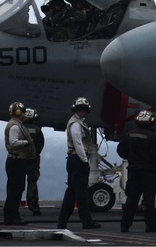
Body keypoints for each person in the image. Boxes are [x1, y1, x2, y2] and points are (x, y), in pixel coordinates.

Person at [57, 97, 101, 230]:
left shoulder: (79, 122)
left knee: (72, 192)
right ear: (76, 109)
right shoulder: (76, 124)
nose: (82, 111)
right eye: (80, 109)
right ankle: (86, 221)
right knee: (81, 193)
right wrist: (84, 161)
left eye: (84, 109)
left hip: (75, 159)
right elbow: (78, 144)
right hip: (77, 159)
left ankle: (63, 222)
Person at [117, 110, 156, 234]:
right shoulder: (152, 137)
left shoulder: (129, 135)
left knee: (131, 199)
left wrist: (132, 158)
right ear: (151, 121)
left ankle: (125, 226)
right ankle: (150, 225)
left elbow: (121, 151)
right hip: (148, 171)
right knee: (149, 200)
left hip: (133, 170)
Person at [3, 101, 37, 226]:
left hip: (17, 161)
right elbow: (13, 142)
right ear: (18, 112)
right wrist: (27, 142)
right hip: (16, 161)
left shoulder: (17, 124)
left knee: (16, 189)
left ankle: (13, 215)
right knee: (15, 190)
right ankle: (11, 217)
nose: (24, 113)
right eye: (22, 111)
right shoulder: (15, 126)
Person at [23, 108, 45, 216]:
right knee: (32, 182)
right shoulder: (37, 130)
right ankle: (34, 207)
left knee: (17, 183)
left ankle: (12, 207)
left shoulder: (20, 128)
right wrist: (35, 155)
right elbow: (40, 145)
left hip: (20, 159)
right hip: (33, 160)